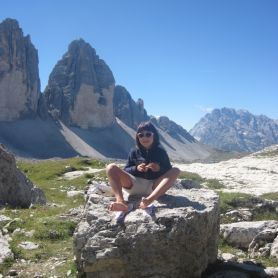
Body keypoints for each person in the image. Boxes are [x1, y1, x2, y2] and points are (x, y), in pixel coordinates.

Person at [106, 121, 180, 212]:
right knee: (111, 168)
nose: (144, 138)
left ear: (154, 135)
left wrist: (159, 169)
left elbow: (168, 171)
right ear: (138, 137)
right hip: (134, 185)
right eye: (141, 135)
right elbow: (126, 169)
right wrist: (136, 168)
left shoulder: (161, 152)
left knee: (176, 170)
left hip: (155, 187)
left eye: (148, 134)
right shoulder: (134, 151)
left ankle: (149, 200)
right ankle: (120, 202)